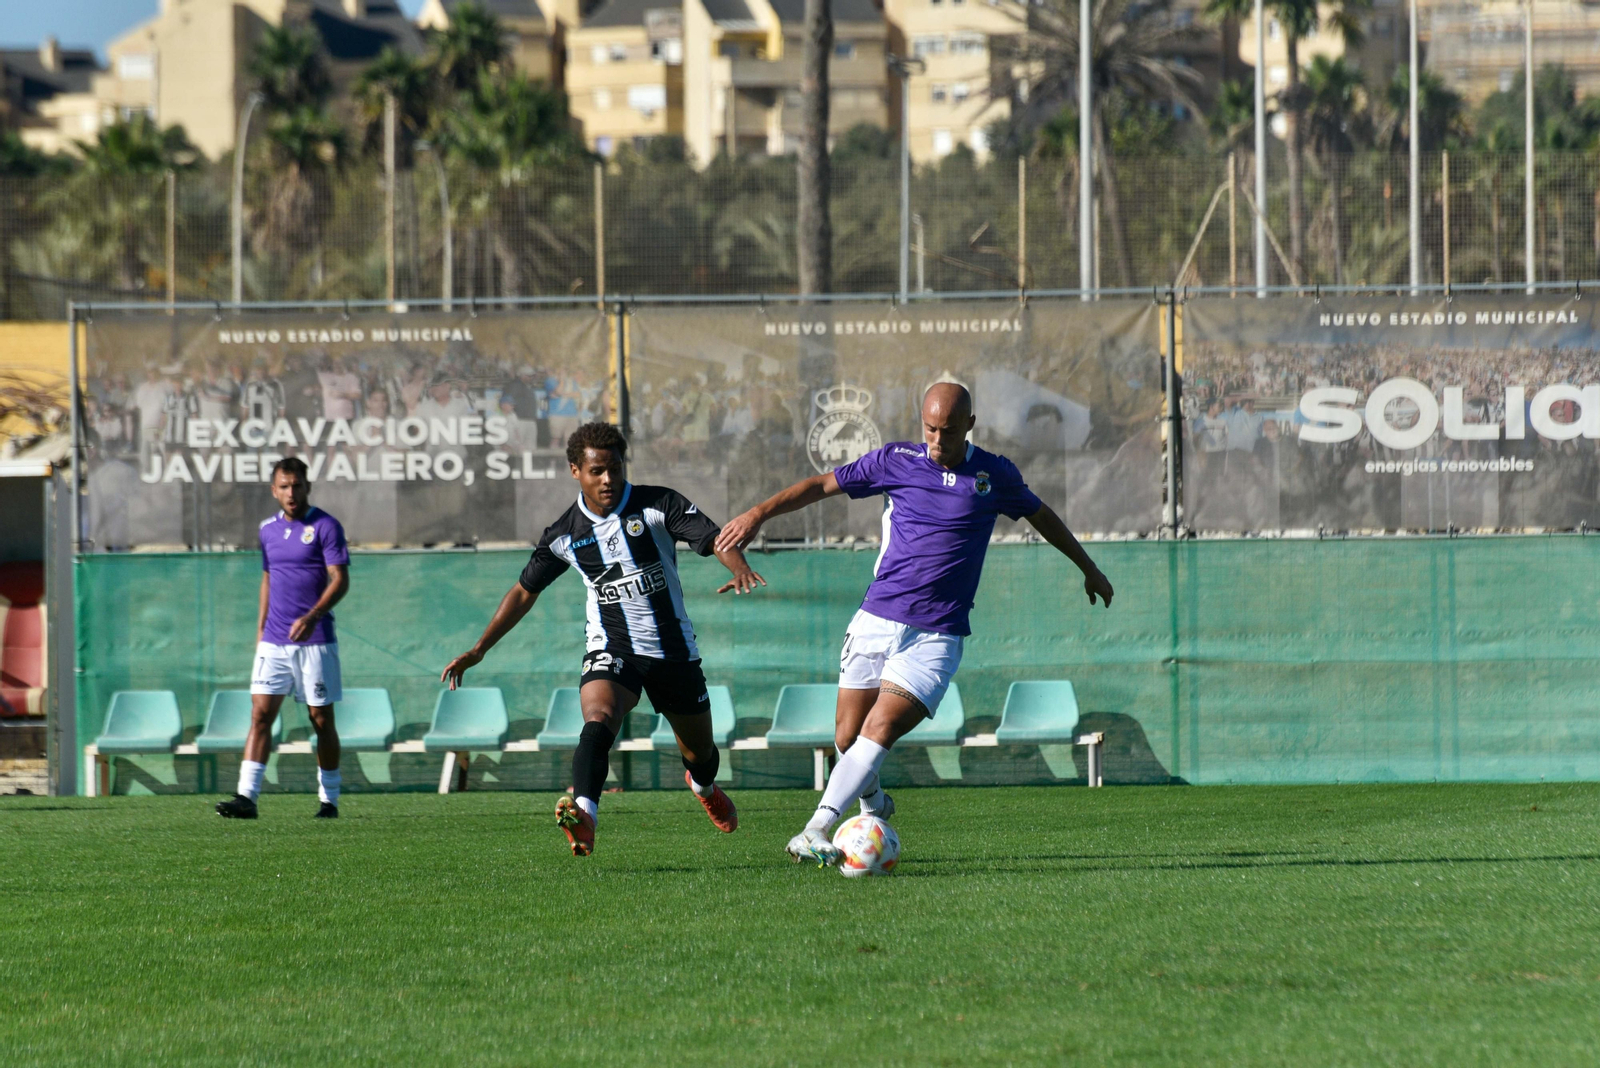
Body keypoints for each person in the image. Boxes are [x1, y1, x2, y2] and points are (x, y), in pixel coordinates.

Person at [715, 382, 1115, 866]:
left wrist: (1088, 567)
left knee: (880, 727)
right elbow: (822, 485)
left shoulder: (995, 474)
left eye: (949, 430)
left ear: (970, 425)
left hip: (936, 633)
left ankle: (815, 828)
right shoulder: (895, 461)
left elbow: (1042, 515)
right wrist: (758, 514)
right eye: (930, 428)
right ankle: (873, 804)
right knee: (847, 738)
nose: (938, 439)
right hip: (876, 618)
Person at [440, 422, 766, 857]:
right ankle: (585, 815)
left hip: (673, 651)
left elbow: (713, 538)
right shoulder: (564, 535)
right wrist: (479, 649)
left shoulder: (658, 504)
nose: (608, 479)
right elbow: (523, 592)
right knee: (599, 717)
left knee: (701, 755)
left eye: (615, 468)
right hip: (612, 647)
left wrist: (738, 567)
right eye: (597, 471)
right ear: (575, 471)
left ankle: (703, 786)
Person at [217, 457, 351, 820]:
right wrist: (261, 631)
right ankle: (246, 798)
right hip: (274, 642)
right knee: (260, 715)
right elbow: (268, 578)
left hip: (316, 640)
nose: (291, 493)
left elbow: (340, 579)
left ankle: (329, 800)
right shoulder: (267, 530)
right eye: (284, 486)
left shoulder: (326, 526)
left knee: (320, 719)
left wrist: (313, 615)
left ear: (307, 487)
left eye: (297, 486)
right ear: (273, 490)